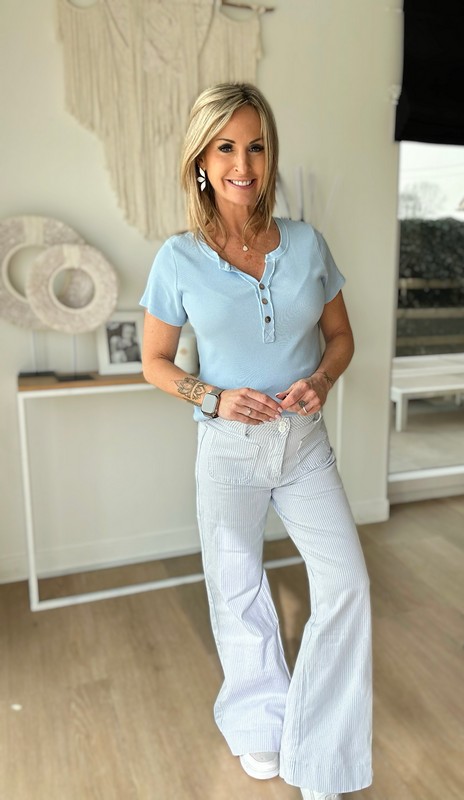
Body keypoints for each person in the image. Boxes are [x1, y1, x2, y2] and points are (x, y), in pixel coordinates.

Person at [140, 82, 372, 800]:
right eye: (226, 148)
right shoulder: (177, 259)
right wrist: (213, 396)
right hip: (229, 452)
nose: (243, 164)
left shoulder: (306, 243)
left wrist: (323, 379)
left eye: (257, 146)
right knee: (238, 591)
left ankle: (320, 744)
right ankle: (257, 727)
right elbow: (154, 362)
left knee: (347, 584)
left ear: (271, 156)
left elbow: (341, 337)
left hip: (303, 446)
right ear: (201, 160)